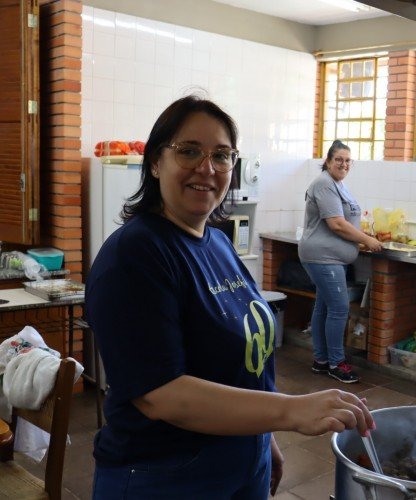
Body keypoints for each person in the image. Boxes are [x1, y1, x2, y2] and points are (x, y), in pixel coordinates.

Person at [86, 96, 374, 499]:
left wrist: (264, 436)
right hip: (165, 475)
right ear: (154, 162)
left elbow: (240, 364)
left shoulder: (218, 244)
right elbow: (162, 395)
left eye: (221, 156)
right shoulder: (135, 254)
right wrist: (291, 411)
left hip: (240, 457)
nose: (207, 169)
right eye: (189, 151)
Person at [298, 140, 382, 384]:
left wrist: (362, 237)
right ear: (328, 161)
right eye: (339, 160)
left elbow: (346, 221)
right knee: (339, 308)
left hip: (332, 257)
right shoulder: (324, 183)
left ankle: (321, 360)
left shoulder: (338, 184)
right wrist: (367, 239)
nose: (344, 164)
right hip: (322, 257)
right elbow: (335, 223)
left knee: (324, 307)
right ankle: (337, 363)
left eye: (348, 160)